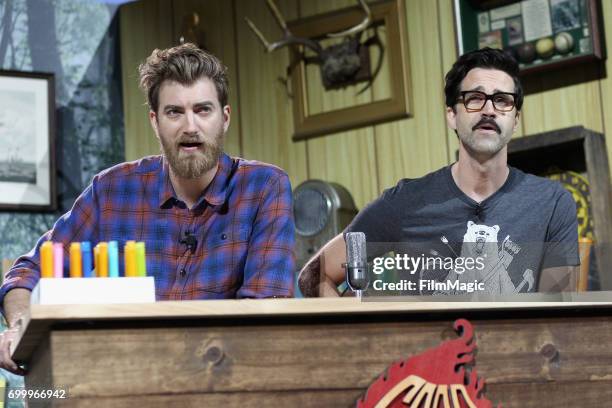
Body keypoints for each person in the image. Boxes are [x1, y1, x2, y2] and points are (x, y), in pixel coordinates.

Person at [0, 43, 295, 374]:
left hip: (222, 377)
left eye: (203, 110)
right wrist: (20, 326)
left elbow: (264, 314)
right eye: (174, 112)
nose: (190, 127)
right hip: (119, 377)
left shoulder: (265, 187)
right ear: (155, 121)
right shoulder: (111, 190)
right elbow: (26, 272)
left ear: (224, 118)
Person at [298, 47, 579, 297]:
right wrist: (361, 336)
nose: (489, 110)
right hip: (431, 355)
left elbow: (560, 315)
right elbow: (315, 275)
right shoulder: (405, 201)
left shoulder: (552, 203)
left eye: (503, 100)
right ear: (451, 115)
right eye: (475, 98)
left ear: (515, 119)